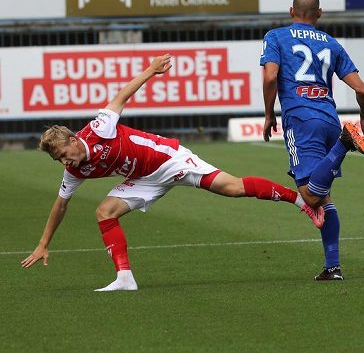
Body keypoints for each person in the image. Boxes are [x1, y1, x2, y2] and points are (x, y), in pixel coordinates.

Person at [21, 54, 326, 291]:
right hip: (142, 180)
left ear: (73, 140)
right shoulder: (74, 170)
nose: (65, 162)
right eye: (59, 160)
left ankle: (302, 203)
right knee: (104, 212)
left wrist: (151, 70)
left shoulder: (99, 128)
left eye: (64, 154)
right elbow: (61, 204)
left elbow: (121, 97)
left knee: (232, 188)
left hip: (169, 160)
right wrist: (43, 243)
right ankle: (125, 278)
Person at [260, 0, 364, 281]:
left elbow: (271, 77)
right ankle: (332, 267)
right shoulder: (332, 43)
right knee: (324, 197)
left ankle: (344, 144)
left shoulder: (276, 37)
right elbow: (361, 89)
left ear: (291, 11)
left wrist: (269, 113)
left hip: (300, 120)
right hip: (328, 118)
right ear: (319, 14)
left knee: (310, 195)